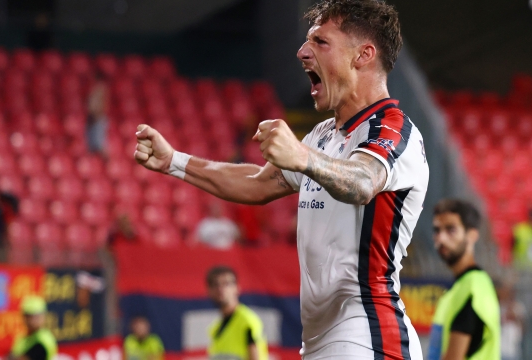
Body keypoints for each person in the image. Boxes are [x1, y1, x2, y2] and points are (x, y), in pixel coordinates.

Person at [134, 1, 429, 358]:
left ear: (363, 55)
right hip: (323, 339)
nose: (302, 52)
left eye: (320, 42)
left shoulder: (393, 129)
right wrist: (175, 162)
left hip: (367, 333)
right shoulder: (322, 134)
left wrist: (303, 157)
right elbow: (259, 183)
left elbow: (364, 181)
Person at [428, 199, 500, 360]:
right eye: (437, 230)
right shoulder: (459, 288)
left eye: (450, 230)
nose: (441, 238)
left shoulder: (473, 288)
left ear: (472, 235)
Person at [206, 266, 268, 360]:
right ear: (209, 290)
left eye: (226, 284)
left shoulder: (246, 321)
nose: (220, 289)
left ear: (237, 288)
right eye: (216, 284)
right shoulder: (215, 328)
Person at [9, 296, 58, 360]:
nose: (32, 320)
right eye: (28, 316)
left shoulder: (44, 340)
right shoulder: (21, 338)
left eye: (36, 316)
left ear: (43, 316)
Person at [496, 281, 526, 360]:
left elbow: (524, 329)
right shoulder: (498, 307)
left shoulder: (518, 307)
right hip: (500, 349)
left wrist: (516, 318)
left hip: (514, 350)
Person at [86, 72, 109, 156]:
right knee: (92, 146)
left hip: (97, 119)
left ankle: (107, 164)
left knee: (99, 144)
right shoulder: (96, 89)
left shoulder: (100, 89)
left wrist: (97, 115)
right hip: (93, 119)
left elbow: (100, 105)